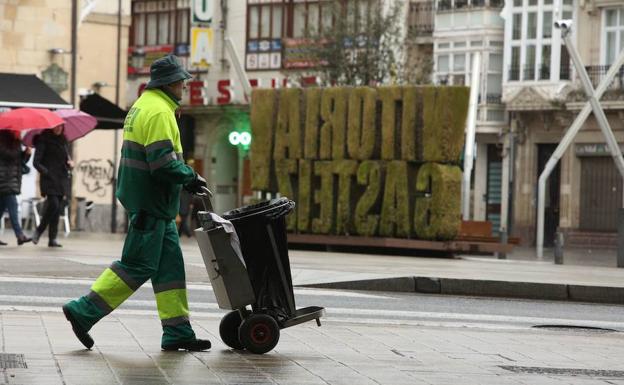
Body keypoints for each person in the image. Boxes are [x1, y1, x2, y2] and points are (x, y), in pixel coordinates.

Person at [62, 55, 211, 352]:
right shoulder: (158, 112)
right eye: (181, 81)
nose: (184, 85)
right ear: (170, 83)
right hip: (151, 203)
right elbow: (163, 163)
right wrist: (190, 177)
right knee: (137, 265)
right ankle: (83, 310)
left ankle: (177, 331)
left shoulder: (144, 106)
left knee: (170, 269)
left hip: (153, 203)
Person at [31, 125, 72, 247]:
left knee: (58, 208)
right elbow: (36, 162)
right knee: (53, 204)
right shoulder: (44, 140)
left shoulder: (64, 141)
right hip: (49, 179)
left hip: (61, 179)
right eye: (56, 126)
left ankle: (52, 239)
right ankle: (39, 230)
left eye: (61, 126)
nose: (59, 128)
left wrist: (70, 164)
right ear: (51, 126)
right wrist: (46, 172)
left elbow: (65, 161)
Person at [0, 130, 32, 246]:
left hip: (11, 180)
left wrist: (27, 154)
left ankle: (19, 235)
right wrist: (19, 146)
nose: (20, 133)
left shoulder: (16, 143)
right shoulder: (2, 141)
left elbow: (19, 162)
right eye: (17, 131)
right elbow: (9, 156)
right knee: (13, 208)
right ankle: (20, 235)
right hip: (5, 180)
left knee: (1, 209)